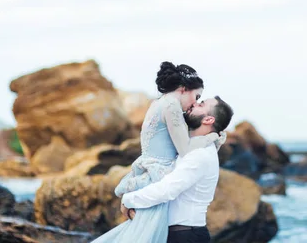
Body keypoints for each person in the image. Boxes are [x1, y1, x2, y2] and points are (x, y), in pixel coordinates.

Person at [91, 62, 226, 243]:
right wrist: (212, 138)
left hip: (154, 174)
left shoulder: (160, 103)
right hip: (159, 174)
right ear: (184, 89)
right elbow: (185, 149)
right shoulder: (172, 106)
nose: (194, 103)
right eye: (197, 96)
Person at [121, 96, 234, 243]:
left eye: (201, 105)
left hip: (186, 236)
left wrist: (128, 199)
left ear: (208, 120)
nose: (194, 104)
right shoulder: (190, 147)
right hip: (179, 233)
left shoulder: (200, 153)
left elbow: (167, 189)